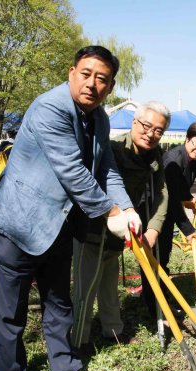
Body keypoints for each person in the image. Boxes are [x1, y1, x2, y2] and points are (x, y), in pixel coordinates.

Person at [0, 46, 141, 371]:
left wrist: (127, 208)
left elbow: (107, 171)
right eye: (86, 74)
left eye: (102, 78)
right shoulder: (49, 107)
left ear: (111, 85)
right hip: (18, 224)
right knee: (11, 312)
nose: (92, 84)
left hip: (57, 226)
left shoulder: (100, 119)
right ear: (72, 72)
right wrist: (109, 211)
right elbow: (73, 172)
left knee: (59, 302)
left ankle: (65, 366)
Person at [71, 101, 171, 350]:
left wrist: (153, 229)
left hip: (123, 233)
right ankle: (77, 341)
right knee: (85, 288)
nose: (151, 133)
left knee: (109, 283)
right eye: (146, 126)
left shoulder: (155, 156)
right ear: (134, 123)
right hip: (92, 230)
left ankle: (113, 331)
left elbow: (162, 193)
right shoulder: (112, 149)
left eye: (158, 130)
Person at [140, 120, 196, 318]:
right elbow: (171, 198)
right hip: (155, 213)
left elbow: (180, 188)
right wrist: (189, 230)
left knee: (162, 257)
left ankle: (154, 298)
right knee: (155, 259)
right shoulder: (173, 160)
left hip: (166, 213)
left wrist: (189, 198)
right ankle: (156, 306)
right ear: (188, 138)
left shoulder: (190, 160)